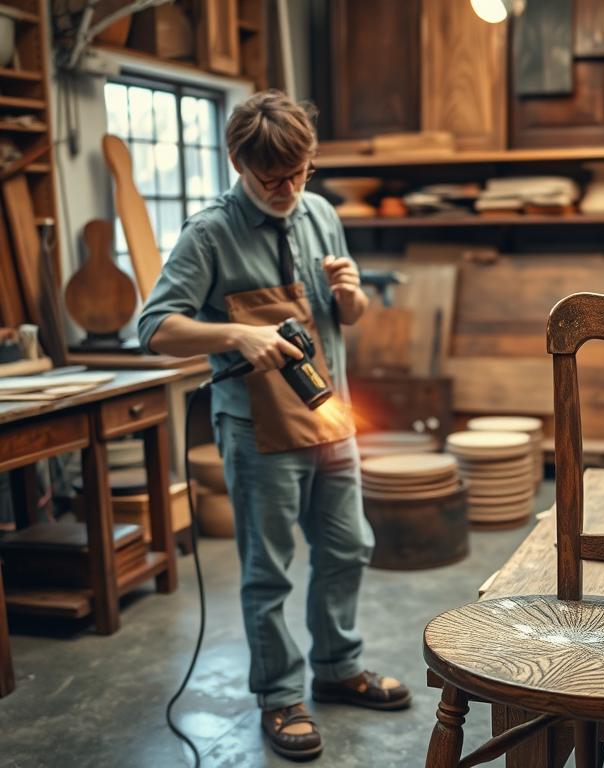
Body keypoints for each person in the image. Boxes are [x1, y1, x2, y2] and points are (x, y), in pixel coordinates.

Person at [138, 90, 410, 762]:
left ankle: (338, 669)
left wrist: (351, 298)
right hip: (259, 435)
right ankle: (280, 696)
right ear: (238, 162)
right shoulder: (210, 233)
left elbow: (345, 320)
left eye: (300, 172)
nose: (288, 189)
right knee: (269, 571)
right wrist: (235, 333)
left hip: (331, 420)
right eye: (272, 178)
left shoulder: (319, 213)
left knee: (348, 549)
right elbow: (153, 328)